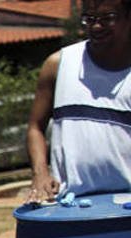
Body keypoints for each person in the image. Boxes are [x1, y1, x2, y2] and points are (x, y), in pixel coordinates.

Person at [26, 0, 131, 202]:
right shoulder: (58, 65)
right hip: (69, 206)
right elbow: (35, 127)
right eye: (89, 19)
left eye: (108, 18)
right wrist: (40, 174)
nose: (96, 26)